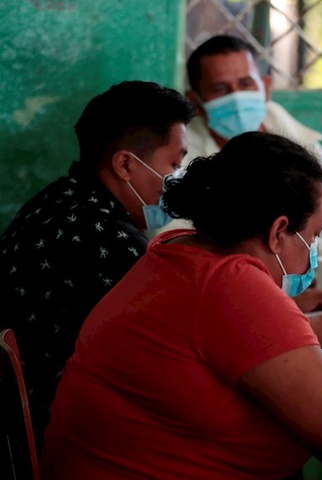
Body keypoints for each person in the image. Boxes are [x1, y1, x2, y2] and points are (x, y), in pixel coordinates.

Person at [40, 132, 322, 479]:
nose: (312, 253)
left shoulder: (176, 251)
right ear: (277, 232)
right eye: (313, 236)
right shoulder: (231, 284)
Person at [0, 81, 194, 450]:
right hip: (72, 439)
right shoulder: (110, 241)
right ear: (124, 164)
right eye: (174, 163)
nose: (177, 178)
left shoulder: (56, 199)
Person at [182, 34, 322, 258]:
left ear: (266, 87)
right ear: (195, 102)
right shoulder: (181, 159)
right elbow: (180, 243)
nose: (237, 98)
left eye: (245, 83)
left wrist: (313, 267)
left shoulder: (304, 148)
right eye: (220, 89)